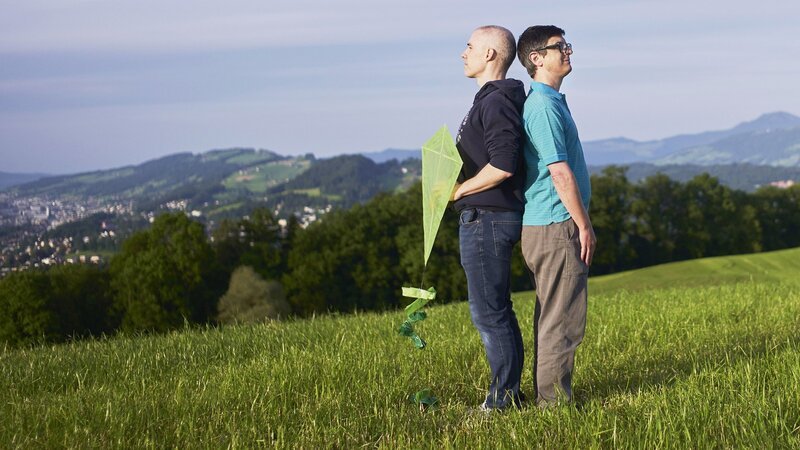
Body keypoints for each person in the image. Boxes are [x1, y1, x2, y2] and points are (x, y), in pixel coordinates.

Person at [516, 25, 596, 406]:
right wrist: (583, 225)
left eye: (567, 46)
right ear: (537, 58)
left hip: (547, 225)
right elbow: (559, 172)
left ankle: (549, 395)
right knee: (562, 319)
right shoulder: (544, 106)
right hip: (556, 225)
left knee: (553, 315)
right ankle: (553, 405)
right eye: (560, 47)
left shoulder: (550, 101)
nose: (568, 52)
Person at [451, 25, 527, 410]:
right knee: (497, 309)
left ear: (490, 55)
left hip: (488, 217)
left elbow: (503, 164)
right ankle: (509, 394)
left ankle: (501, 401)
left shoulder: (495, 102)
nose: (463, 54)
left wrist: (460, 190)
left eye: (469, 47)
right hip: (490, 215)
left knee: (489, 313)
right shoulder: (491, 99)